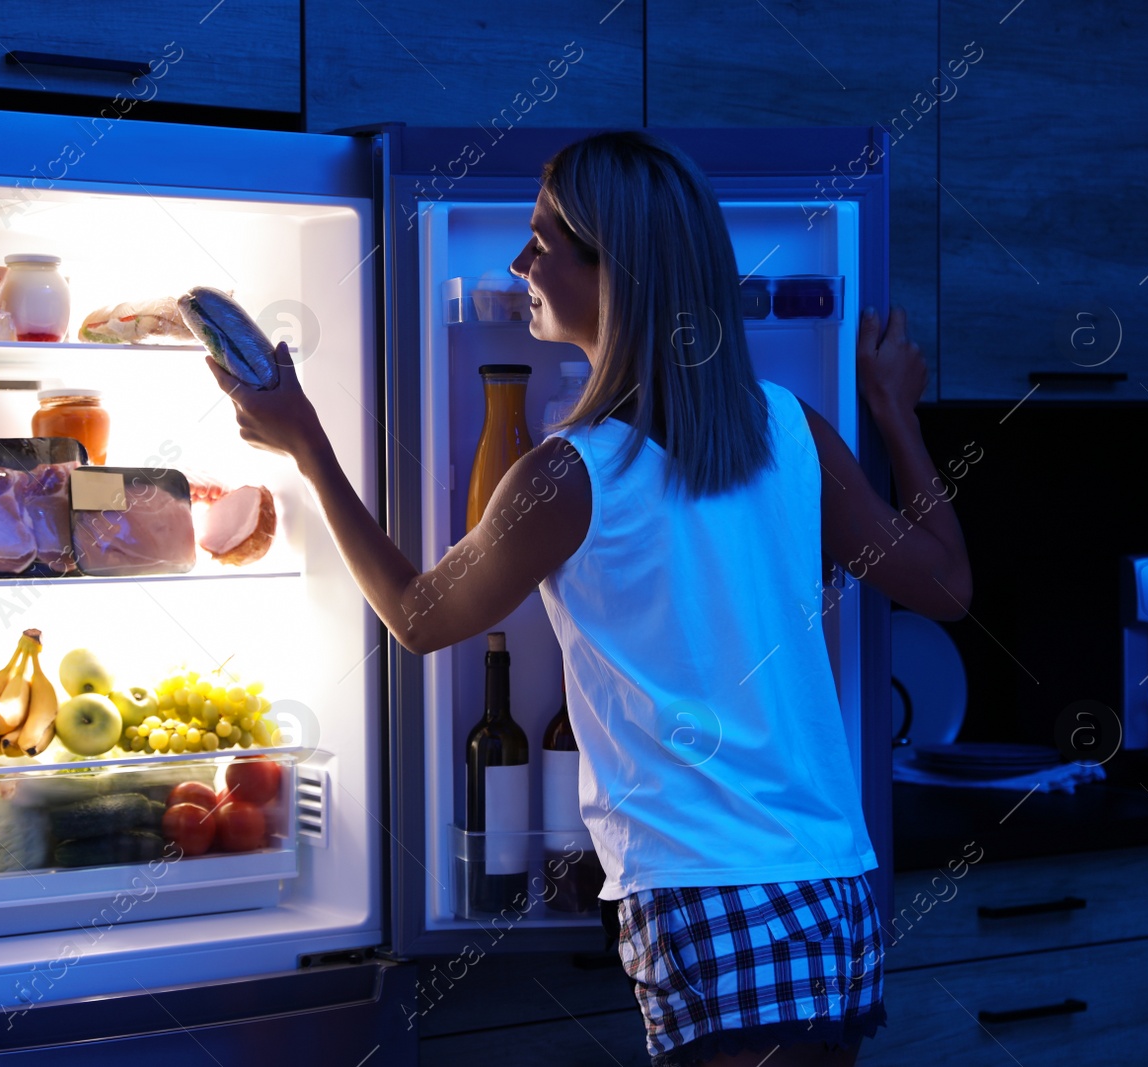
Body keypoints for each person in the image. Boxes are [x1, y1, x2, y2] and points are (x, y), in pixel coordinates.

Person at [208, 131, 971, 1067]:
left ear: (618, 271)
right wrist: (896, 409)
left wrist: (307, 444)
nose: (521, 262)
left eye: (542, 242)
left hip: (704, 891)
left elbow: (417, 617)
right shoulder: (788, 424)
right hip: (833, 881)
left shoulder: (572, 474)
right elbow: (945, 581)